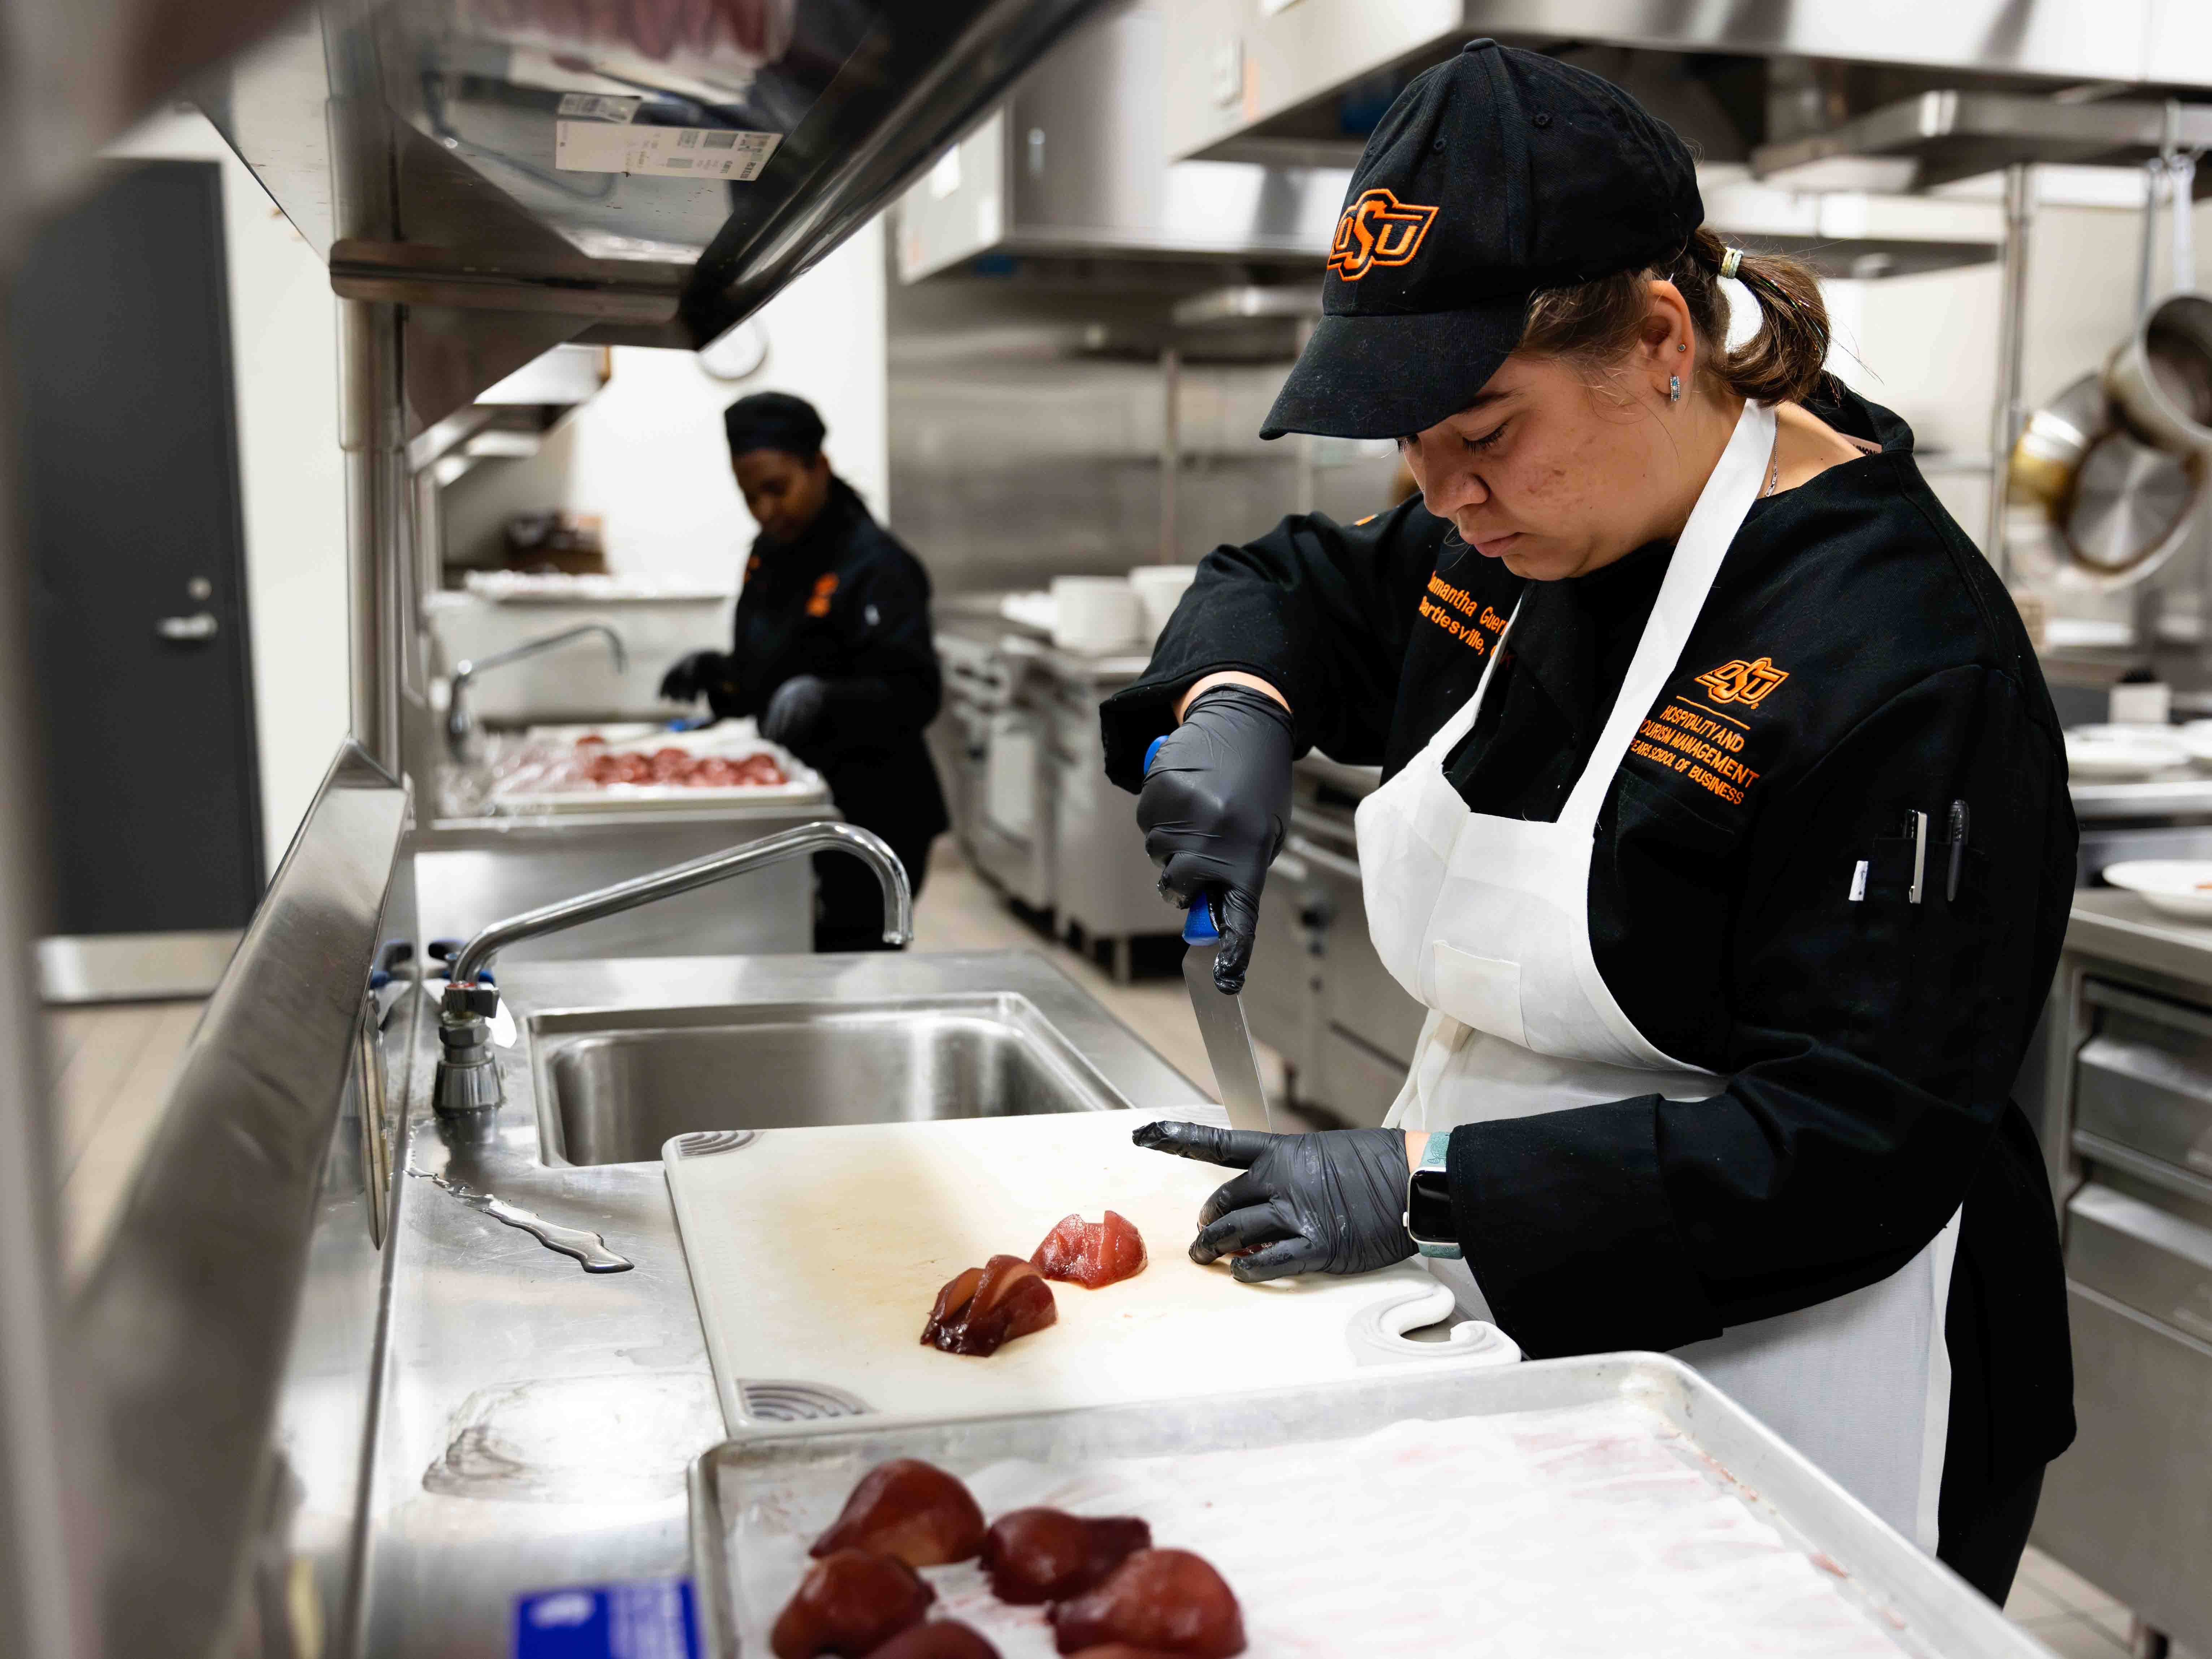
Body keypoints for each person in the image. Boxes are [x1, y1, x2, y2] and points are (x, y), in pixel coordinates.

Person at [1104, 42, 2073, 1603]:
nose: (1443, 490)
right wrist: (1232, 707)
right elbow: (1293, 584)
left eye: (1481, 432)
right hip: (1517, 1288)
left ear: (1660, 339)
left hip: (1816, 1345)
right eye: (1409, 442)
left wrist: (1427, 1191)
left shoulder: (1900, 652)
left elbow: (1854, 1142)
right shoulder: (1514, 519)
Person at [661, 391, 948, 950]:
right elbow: (765, 673)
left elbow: (917, 692)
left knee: (853, 972)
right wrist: (718, 674)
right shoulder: (768, 555)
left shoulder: (878, 565)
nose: (766, 510)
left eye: (776, 488)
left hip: (873, 816)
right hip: (797, 806)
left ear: (818, 465)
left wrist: (828, 697)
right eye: (749, 496)